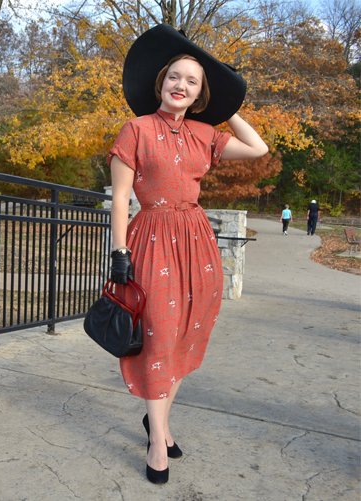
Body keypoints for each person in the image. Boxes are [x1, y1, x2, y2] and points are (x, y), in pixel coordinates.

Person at [107, 25, 268, 484]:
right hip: (151, 238)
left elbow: (259, 149)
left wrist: (229, 108)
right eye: (174, 77)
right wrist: (120, 251)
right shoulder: (135, 129)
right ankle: (158, 439)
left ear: (200, 95)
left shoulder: (204, 134)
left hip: (197, 243)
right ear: (160, 84)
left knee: (183, 338)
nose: (181, 85)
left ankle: (157, 421)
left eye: (192, 81)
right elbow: (121, 197)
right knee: (158, 336)